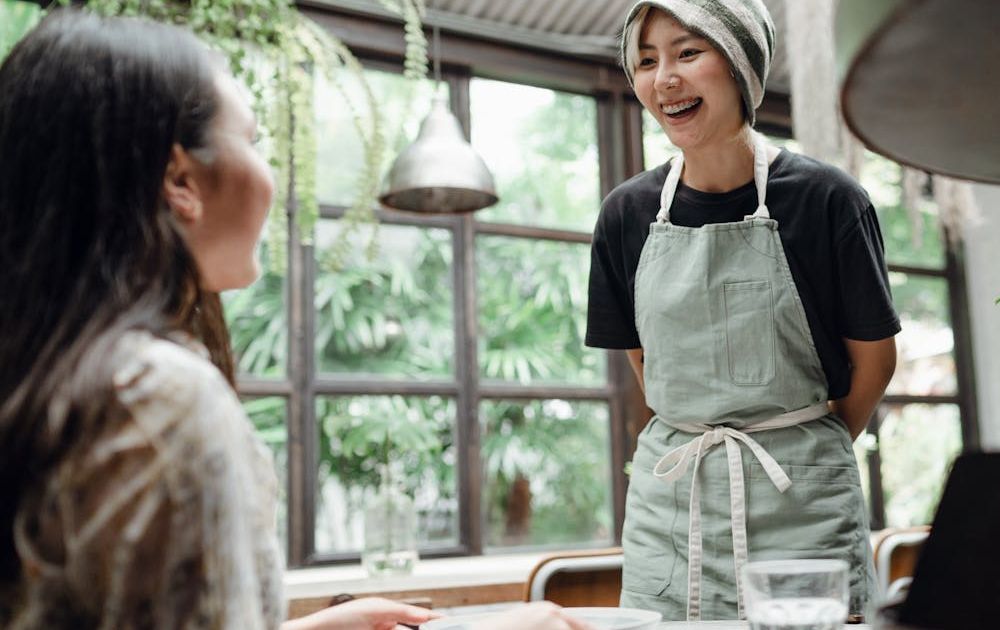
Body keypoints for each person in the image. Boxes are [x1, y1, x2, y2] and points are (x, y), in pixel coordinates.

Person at [0, 11, 589, 630]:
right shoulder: (161, 401)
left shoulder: (55, 376)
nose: (270, 178)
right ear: (180, 179)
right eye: (252, 141)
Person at [586, 0, 900, 622]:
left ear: (738, 65)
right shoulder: (626, 214)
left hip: (801, 504)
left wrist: (808, 451)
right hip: (672, 507)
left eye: (686, 52)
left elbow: (876, 361)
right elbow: (645, 359)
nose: (664, 78)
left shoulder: (826, 199)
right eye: (646, 61)